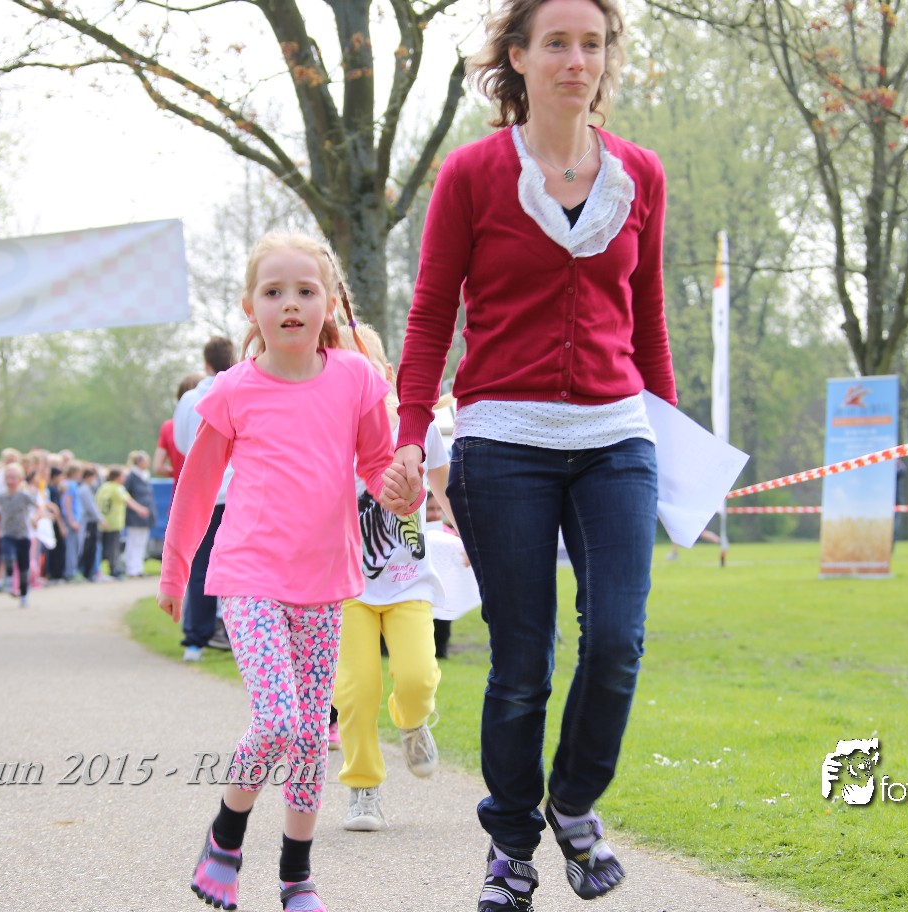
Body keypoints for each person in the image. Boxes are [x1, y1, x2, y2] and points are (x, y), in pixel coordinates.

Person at [385, 0, 676, 905]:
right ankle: (510, 846)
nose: (576, 60)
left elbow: (649, 320)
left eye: (593, 43)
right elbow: (432, 314)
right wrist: (409, 434)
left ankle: (574, 806)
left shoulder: (640, 174)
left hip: (616, 438)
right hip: (502, 441)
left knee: (618, 639)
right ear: (518, 56)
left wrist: (674, 445)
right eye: (557, 43)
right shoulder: (472, 173)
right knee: (523, 661)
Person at [156, 231, 411, 912]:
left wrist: (398, 490)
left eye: (305, 290)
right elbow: (196, 488)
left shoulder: (355, 377)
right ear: (250, 307)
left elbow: (375, 463)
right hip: (250, 575)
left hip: (324, 582)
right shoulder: (233, 390)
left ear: (328, 303)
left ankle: (296, 878)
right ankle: (225, 835)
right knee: (277, 718)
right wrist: (175, 572)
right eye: (274, 292)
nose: (290, 303)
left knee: (309, 739)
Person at [332, 324, 454, 833]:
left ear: (385, 374)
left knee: (418, 677)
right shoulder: (322, 429)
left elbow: (445, 489)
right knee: (355, 690)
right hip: (346, 586)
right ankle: (363, 786)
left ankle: (412, 720)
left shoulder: (417, 429)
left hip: (408, 583)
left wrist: (466, 535)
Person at [173, 337, 237, 660]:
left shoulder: (190, 398)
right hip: (237, 491)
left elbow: (181, 442)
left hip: (205, 492)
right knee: (237, 564)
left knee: (200, 566)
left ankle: (196, 639)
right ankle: (234, 633)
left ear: (205, 363)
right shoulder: (240, 389)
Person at [0, 463, 45, 608]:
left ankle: (24, 594)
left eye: (14, 478)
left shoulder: (25, 496)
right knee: (7, 556)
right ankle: (8, 579)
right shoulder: (1, 497)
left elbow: (40, 508)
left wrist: (36, 518)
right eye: (8, 478)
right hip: (7, 533)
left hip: (23, 535)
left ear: (20, 479)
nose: (10, 481)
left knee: (24, 567)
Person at [155, 373, 202, 479]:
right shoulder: (211, 423)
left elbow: (158, 467)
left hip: (180, 487)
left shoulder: (168, 427)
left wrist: (178, 473)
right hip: (209, 486)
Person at [122, 450, 155, 577]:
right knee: (133, 541)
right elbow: (126, 495)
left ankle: (138, 567)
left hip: (146, 515)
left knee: (142, 542)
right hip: (135, 515)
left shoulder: (145, 476)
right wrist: (138, 509)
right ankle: (131, 568)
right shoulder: (131, 477)